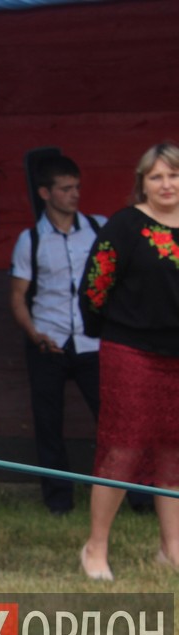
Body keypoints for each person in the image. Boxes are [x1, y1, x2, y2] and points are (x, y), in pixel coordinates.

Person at [78, 142, 179, 581]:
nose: (166, 184)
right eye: (157, 176)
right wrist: (111, 329)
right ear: (142, 182)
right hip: (130, 350)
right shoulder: (124, 225)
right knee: (123, 447)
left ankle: (171, 547)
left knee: (175, 447)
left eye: (174, 175)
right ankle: (95, 547)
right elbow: (94, 286)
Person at [9, 155, 103, 515]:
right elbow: (18, 296)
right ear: (45, 193)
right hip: (47, 340)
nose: (74, 194)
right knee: (48, 423)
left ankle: (134, 495)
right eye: (65, 188)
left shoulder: (99, 228)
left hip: (93, 341)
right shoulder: (30, 239)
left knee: (112, 421)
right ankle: (58, 500)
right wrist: (35, 335)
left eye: (76, 187)